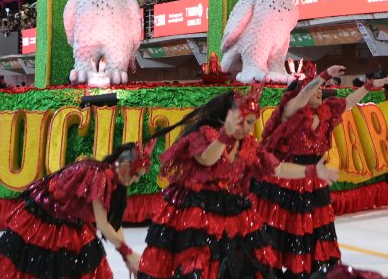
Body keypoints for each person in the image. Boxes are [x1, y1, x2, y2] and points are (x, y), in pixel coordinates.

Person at [137, 89, 339, 279]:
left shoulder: (248, 144)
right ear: (233, 119)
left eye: (253, 123)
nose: (251, 129)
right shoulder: (206, 134)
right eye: (248, 122)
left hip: (231, 207)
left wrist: (312, 171)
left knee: (243, 263)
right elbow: (207, 159)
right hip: (196, 208)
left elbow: (278, 168)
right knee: (200, 264)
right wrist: (225, 135)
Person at [252, 65, 388, 277]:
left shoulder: (327, 111)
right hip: (292, 179)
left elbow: (351, 101)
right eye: (314, 89)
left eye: (321, 88)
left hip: (317, 178)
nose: (319, 91)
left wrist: (369, 85)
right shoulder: (291, 109)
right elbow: (304, 95)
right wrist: (324, 75)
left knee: (318, 230)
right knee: (291, 231)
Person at [0, 142, 152, 279]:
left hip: (70, 219)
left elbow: (114, 222)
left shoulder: (113, 180)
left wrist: (126, 256)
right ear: (124, 167)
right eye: (137, 175)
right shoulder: (100, 176)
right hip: (46, 216)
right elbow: (102, 224)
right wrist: (128, 254)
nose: (136, 180)